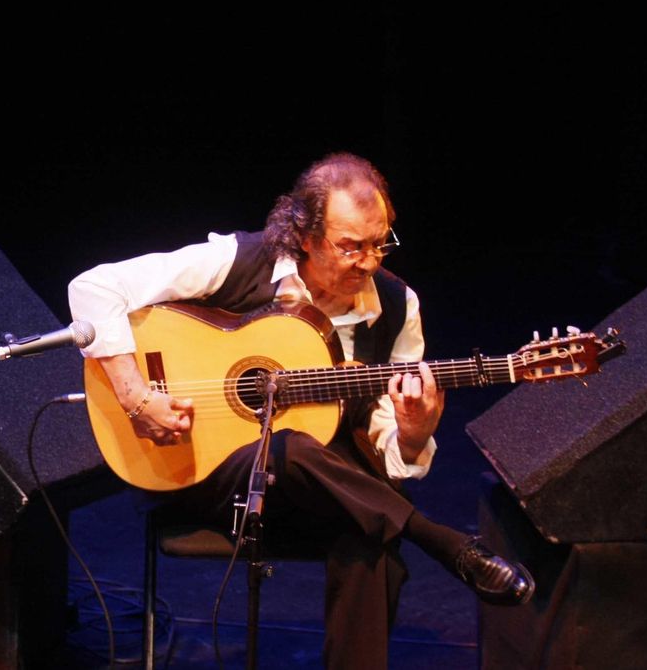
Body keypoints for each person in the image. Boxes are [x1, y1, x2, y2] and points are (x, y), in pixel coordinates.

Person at [68, 152, 532, 668]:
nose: (370, 261)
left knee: (368, 536)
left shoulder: (398, 308)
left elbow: (388, 452)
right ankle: (442, 541)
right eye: (351, 246)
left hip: (329, 494)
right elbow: (92, 288)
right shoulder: (239, 260)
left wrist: (413, 431)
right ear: (305, 237)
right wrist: (136, 396)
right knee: (288, 448)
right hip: (210, 476)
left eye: (381, 243)